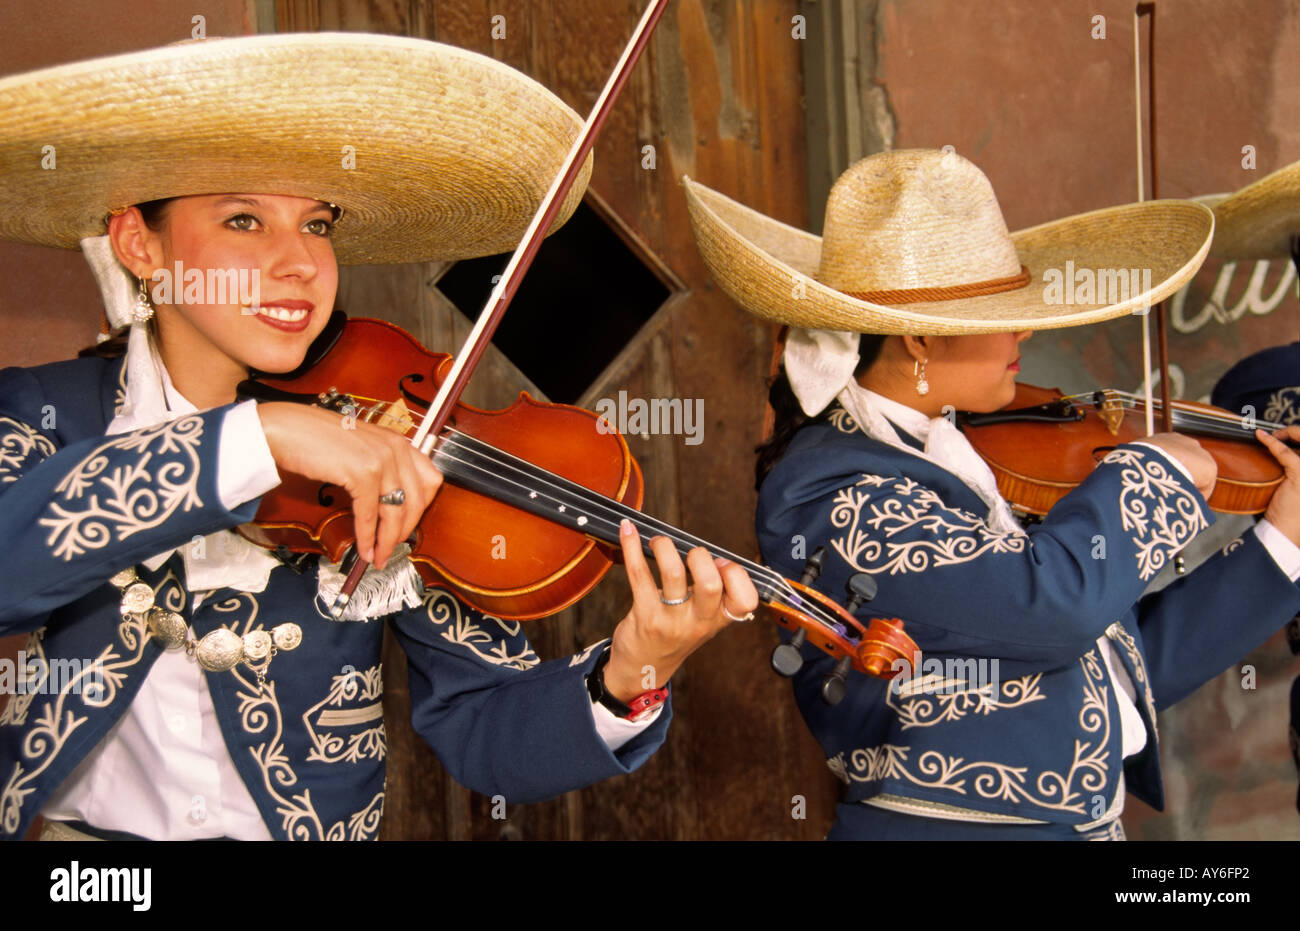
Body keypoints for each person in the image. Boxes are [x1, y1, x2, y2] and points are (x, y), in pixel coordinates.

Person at [0, 33, 758, 841]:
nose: (299, 263)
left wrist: (633, 669)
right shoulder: (48, 412)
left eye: (318, 223)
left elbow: (483, 727)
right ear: (138, 244)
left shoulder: (387, 444)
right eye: (245, 218)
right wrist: (260, 433)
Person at [682, 149, 1300, 839]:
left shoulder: (969, 450)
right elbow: (1053, 607)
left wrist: (1281, 544)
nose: (1025, 330)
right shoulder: (829, 492)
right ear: (919, 337)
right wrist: (1156, 467)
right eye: (1002, 313)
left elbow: (1112, 667)